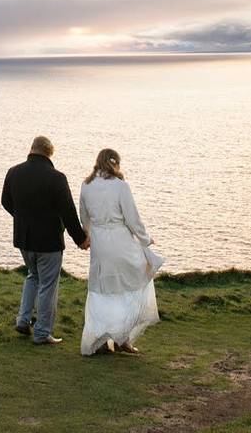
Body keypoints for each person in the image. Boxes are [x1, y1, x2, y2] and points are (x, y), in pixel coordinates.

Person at [2, 136, 89, 345]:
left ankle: (23, 320)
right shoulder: (56, 178)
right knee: (48, 284)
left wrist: (23, 219)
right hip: (49, 241)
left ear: (31, 149)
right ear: (50, 153)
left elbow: (5, 201)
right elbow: (68, 212)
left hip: (24, 239)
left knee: (33, 276)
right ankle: (42, 333)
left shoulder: (14, 172)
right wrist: (80, 239)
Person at [78, 149, 160, 355]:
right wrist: (145, 239)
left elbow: (84, 217)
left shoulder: (86, 186)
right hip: (120, 241)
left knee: (103, 291)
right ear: (115, 164)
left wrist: (87, 236)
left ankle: (103, 341)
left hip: (99, 245)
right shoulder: (121, 186)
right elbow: (132, 218)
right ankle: (124, 339)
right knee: (131, 286)